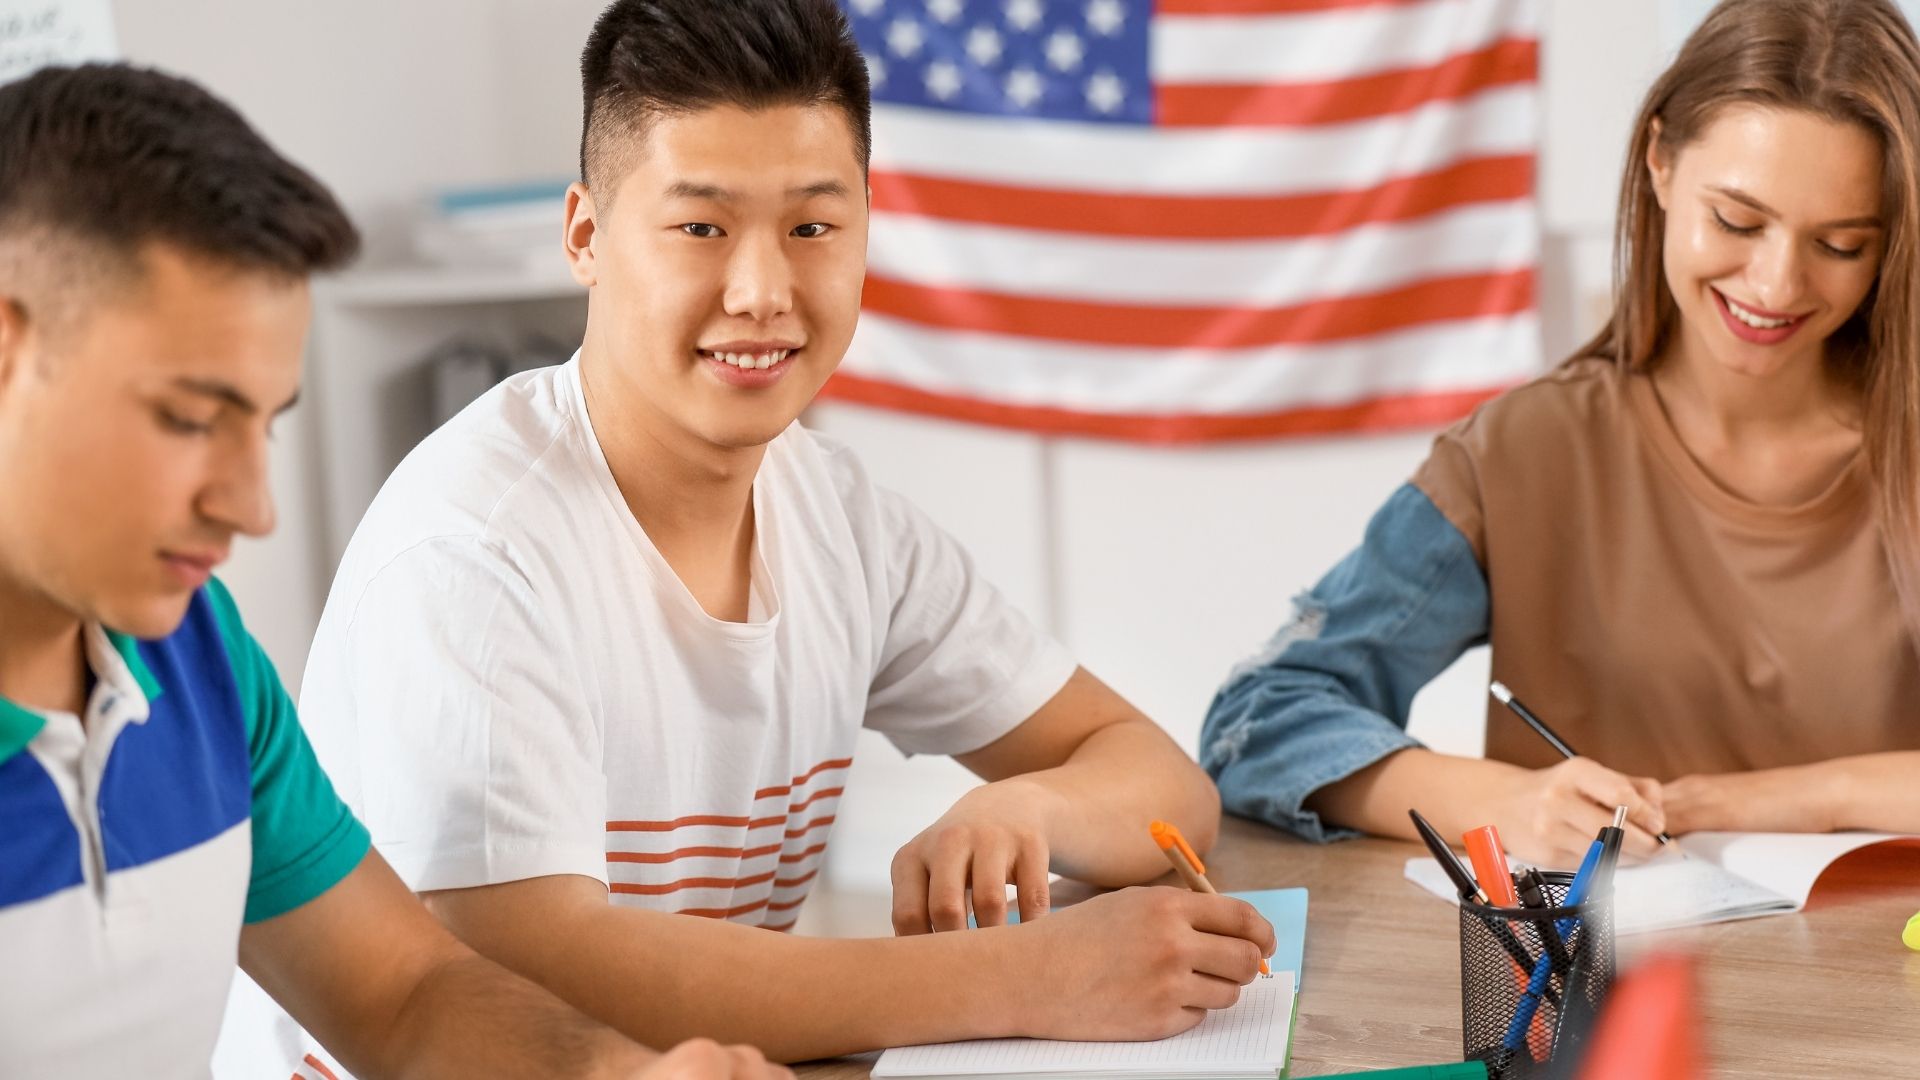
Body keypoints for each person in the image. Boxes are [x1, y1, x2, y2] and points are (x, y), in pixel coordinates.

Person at [269, 0, 1273, 1072]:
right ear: (585, 237)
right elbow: (528, 968)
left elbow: (1161, 780)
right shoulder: (474, 548)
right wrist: (1033, 976)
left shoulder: (837, 511)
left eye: (812, 227)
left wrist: (1026, 805)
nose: (761, 292)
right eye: (701, 227)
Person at [0, 61, 785, 1080]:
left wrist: (622, 1075)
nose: (251, 507)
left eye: (263, 426)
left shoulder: (193, 652)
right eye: (190, 420)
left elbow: (403, 995)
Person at [1202, 0, 1920, 871]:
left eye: (1841, 244)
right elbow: (1260, 719)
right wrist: (1503, 803)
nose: (1776, 283)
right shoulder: (1522, 455)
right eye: (1736, 221)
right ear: (1659, 161)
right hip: (1583, 990)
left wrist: (1758, 799)